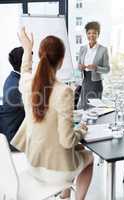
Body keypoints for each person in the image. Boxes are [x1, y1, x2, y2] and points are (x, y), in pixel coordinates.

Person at [11, 27, 93, 200]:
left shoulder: (27, 84)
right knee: (89, 156)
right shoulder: (64, 91)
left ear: (40, 57)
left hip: (33, 166)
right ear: (61, 61)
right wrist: (82, 130)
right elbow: (66, 139)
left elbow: (25, 71)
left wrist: (27, 49)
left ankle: (65, 195)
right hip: (56, 173)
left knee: (77, 148)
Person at [77, 21, 110, 110]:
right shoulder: (82, 48)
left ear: (98, 34)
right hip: (85, 82)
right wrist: (80, 67)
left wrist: (96, 68)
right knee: (83, 108)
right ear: (86, 34)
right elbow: (78, 66)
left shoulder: (103, 50)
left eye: (94, 33)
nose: (91, 35)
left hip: (96, 84)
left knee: (94, 109)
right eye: (89, 33)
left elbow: (107, 69)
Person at [0, 47, 25, 151]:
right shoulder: (15, 86)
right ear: (24, 62)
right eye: (30, 59)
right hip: (15, 138)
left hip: (17, 132)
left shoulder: (14, 79)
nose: (32, 62)